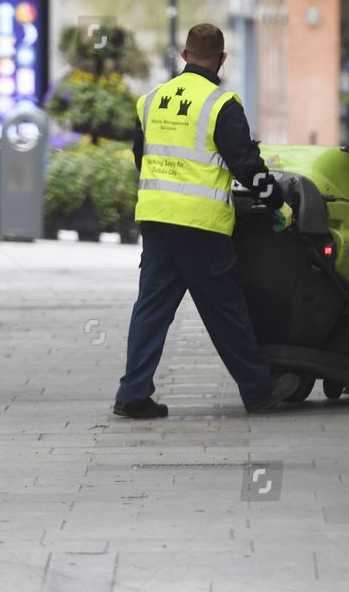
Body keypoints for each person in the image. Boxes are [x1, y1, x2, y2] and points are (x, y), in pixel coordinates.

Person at [113, 23, 299, 419]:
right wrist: (276, 201)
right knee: (225, 309)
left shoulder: (150, 100)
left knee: (151, 307)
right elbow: (246, 164)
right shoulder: (221, 104)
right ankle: (258, 389)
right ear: (222, 60)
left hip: (156, 218)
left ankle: (132, 393)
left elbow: (139, 156)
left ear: (184, 55)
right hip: (200, 225)